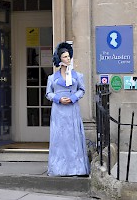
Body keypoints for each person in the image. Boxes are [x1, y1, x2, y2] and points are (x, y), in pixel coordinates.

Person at [46, 42, 90, 176]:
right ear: (60, 59)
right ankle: (59, 168)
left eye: (69, 56)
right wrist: (58, 99)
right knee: (59, 138)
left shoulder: (78, 76)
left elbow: (82, 90)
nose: (68, 59)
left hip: (72, 109)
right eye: (65, 57)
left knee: (73, 138)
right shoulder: (52, 78)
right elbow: (48, 93)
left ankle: (76, 168)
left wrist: (73, 97)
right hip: (59, 110)